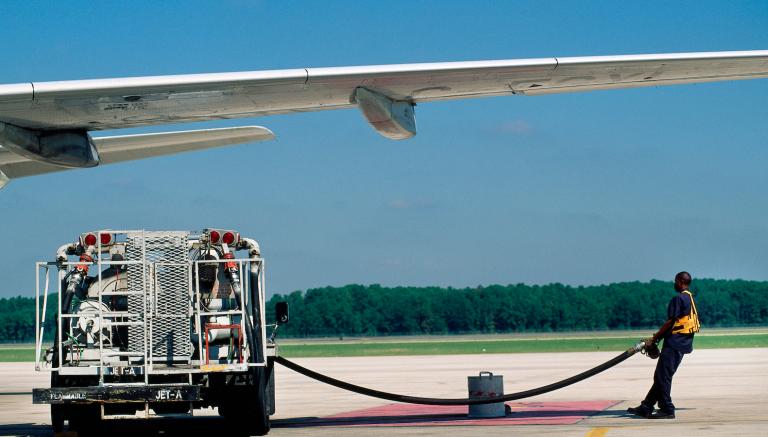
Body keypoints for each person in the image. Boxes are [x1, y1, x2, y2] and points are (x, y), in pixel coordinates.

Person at [628, 271, 701, 419]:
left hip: (674, 343)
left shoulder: (679, 298)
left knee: (663, 377)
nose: (674, 284)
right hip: (683, 343)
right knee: (661, 376)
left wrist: (655, 338)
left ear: (680, 281)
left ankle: (667, 409)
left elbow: (670, 322)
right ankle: (646, 406)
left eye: (675, 281)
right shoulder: (690, 298)